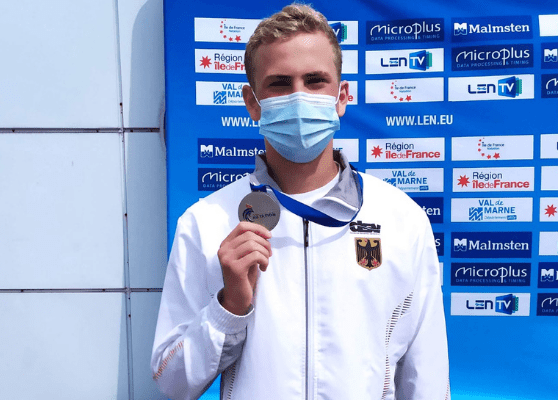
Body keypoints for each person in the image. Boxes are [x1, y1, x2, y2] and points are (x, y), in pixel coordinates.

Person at [151, 4, 450, 399]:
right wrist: (229, 308)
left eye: (315, 81)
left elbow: (426, 380)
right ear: (253, 103)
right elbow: (172, 382)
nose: (298, 97)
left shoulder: (401, 220)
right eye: (279, 83)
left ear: (341, 97)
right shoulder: (207, 222)